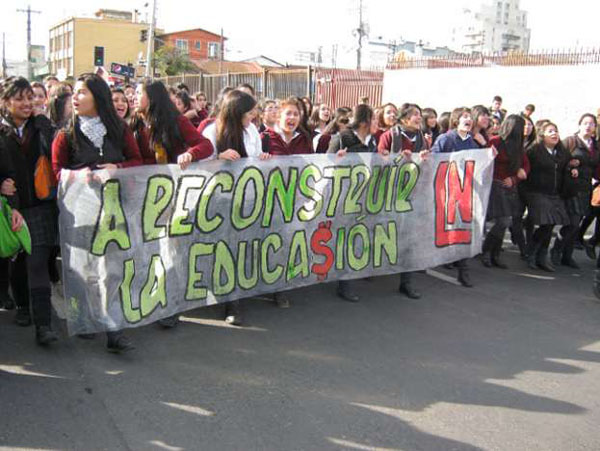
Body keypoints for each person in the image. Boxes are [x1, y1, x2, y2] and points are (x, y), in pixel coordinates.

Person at [51, 73, 143, 352]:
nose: (75, 98)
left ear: (97, 97)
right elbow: (56, 171)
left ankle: (113, 329)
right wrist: (80, 176)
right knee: (84, 268)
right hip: (80, 212)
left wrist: (118, 169)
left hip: (115, 209)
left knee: (111, 269)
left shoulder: (120, 130)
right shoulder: (66, 134)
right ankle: (86, 316)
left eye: (82, 93)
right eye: (75, 93)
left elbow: (138, 160)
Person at [204, 90, 273, 321]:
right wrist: (218, 158)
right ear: (236, 113)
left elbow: (255, 157)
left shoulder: (252, 130)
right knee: (223, 249)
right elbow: (198, 167)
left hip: (248, 199)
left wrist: (262, 158)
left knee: (240, 248)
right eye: (249, 112)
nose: (253, 117)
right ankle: (224, 298)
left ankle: (234, 299)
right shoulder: (212, 131)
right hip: (220, 201)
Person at [0, 77, 57, 344]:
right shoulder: (1, 131)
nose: (27, 103)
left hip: (41, 206)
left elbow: (58, 156)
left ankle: (43, 326)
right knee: (18, 261)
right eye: (20, 98)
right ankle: (23, 306)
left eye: (29, 98)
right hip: (11, 207)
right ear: (6, 102)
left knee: (37, 262)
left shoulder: (43, 125)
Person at [378, 103, 431, 299]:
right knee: (386, 232)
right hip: (389, 193)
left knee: (409, 236)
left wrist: (425, 159)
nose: (419, 118)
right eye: (414, 114)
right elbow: (379, 161)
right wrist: (398, 159)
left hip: (412, 194)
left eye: (419, 114)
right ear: (404, 119)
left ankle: (406, 281)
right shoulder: (390, 136)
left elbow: (429, 165)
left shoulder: (422, 139)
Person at [325, 104, 376, 302]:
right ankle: (342, 281)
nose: (376, 123)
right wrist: (336, 161)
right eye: (373, 119)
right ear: (364, 121)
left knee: (354, 237)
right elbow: (325, 164)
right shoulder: (342, 138)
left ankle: (345, 278)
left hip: (361, 196)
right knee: (342, 238)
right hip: (341, 197)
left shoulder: (372, 141)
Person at [432, 107, 479, 287]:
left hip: (464, 191)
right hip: (446, 190)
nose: (468, 120)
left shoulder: (471, 142)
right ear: (455, 121)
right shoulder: (445, 139)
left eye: (470, 117)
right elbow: (435, 160)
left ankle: (463, 270)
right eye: (464, 117)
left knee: (463, 228)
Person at [481, 115, 529, 269]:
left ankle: (495, 254)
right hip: (495, 185)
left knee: (505, 221)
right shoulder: (496, 141)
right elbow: (486, 162)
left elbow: (526, 167)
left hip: (509, 187)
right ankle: (487, 251)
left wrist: (515, 179)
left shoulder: (518, 147)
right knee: (503, 221)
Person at [551, 113, 599, 269]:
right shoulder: (571, 142)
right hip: (570, 188)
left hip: (586, 189)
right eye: (585, 123)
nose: (588, 126)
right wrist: (570, 166)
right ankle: (556, 249)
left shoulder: (595, 146)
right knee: (572, 223)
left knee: (576, 224)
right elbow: (557, 161)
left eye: (592, 124)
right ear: (579, 125)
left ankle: (567, 255)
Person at [524, 122, 572, 272]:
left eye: (556, 131)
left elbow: (569, 164)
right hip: (536, 192)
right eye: (550, 131)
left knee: (550, 225)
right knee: (545, 223)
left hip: (554, 193)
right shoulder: (534, 150)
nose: (554, 134)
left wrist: (574, 166)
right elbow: (525, 167)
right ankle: (531, 253)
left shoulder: (561, 152)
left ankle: (541, 256)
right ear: (542, 135)